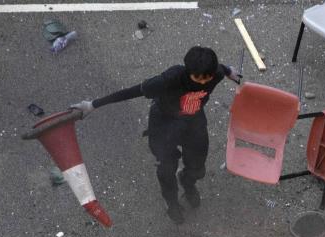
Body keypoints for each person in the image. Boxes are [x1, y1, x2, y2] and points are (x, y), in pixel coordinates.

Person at [72, 46, 240, 223]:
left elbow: (222, 68)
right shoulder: (169, 79)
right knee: (166, 169)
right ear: (188, 71)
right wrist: (93, 105)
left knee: (198, 166)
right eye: (198, 78)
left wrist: (230, 71)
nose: (203, 82)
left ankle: (187, 180)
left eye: (208, 78)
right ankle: (171, 202)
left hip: (193, 121)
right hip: (164, 122)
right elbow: (132, 91)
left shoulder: (215, 73)